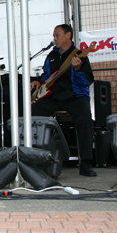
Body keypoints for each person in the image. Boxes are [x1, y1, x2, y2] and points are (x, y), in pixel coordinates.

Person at [30, 24, 97, 177]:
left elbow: (87, 81)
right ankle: (36, 158)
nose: (54, 39)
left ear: (68, 35)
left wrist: (78, 69)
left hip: (74, 97)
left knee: (85, 118)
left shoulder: (79, 55)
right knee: (32, 112)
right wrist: (38, 82)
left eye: (57, 35)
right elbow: (47, 75)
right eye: (54, 36)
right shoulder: (52, 55)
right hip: (53, 97)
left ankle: (86, 162)